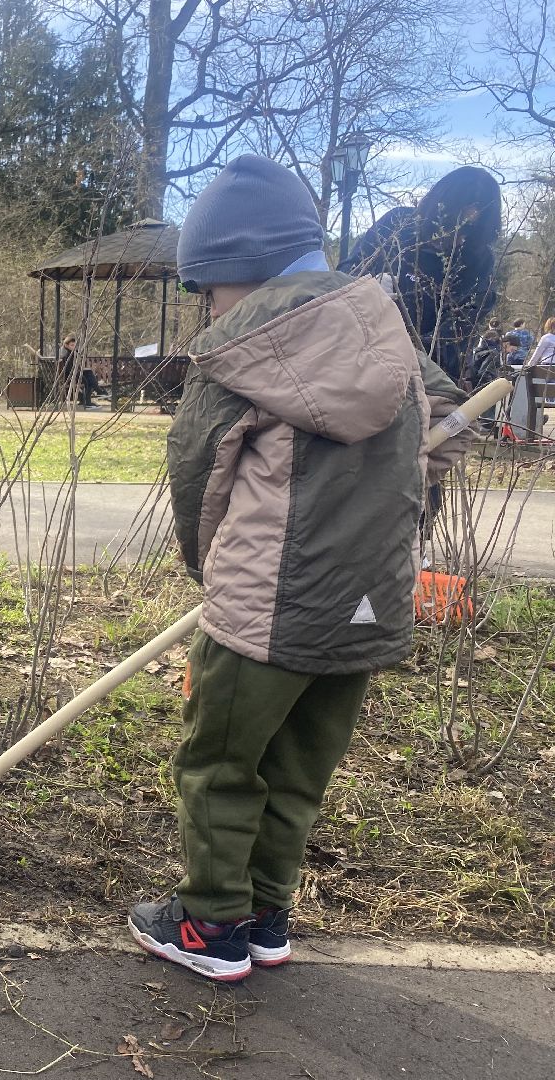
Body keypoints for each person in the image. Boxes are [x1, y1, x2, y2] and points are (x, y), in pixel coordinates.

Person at [134, 154, 474, 983]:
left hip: (265, 612)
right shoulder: (382, 327)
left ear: (236, 271)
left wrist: (207, 571)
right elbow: (450, 427)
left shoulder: (240, 346)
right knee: (297, 770)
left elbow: (195, 475)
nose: (206, 309)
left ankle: (209, 927)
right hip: (369, 608)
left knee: (219, 765)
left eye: (207, 289)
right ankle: (266, 915)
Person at [341, 166, 501, 383]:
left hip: (425, 376)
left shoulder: (479, 262)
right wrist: (366, 285)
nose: (458, 239)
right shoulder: (397, 226)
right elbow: (344, 276)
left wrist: (400, 352)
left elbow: (452, 340)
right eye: (452, 227)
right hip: (356, 359)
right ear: (437, 212)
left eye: (469, 233)